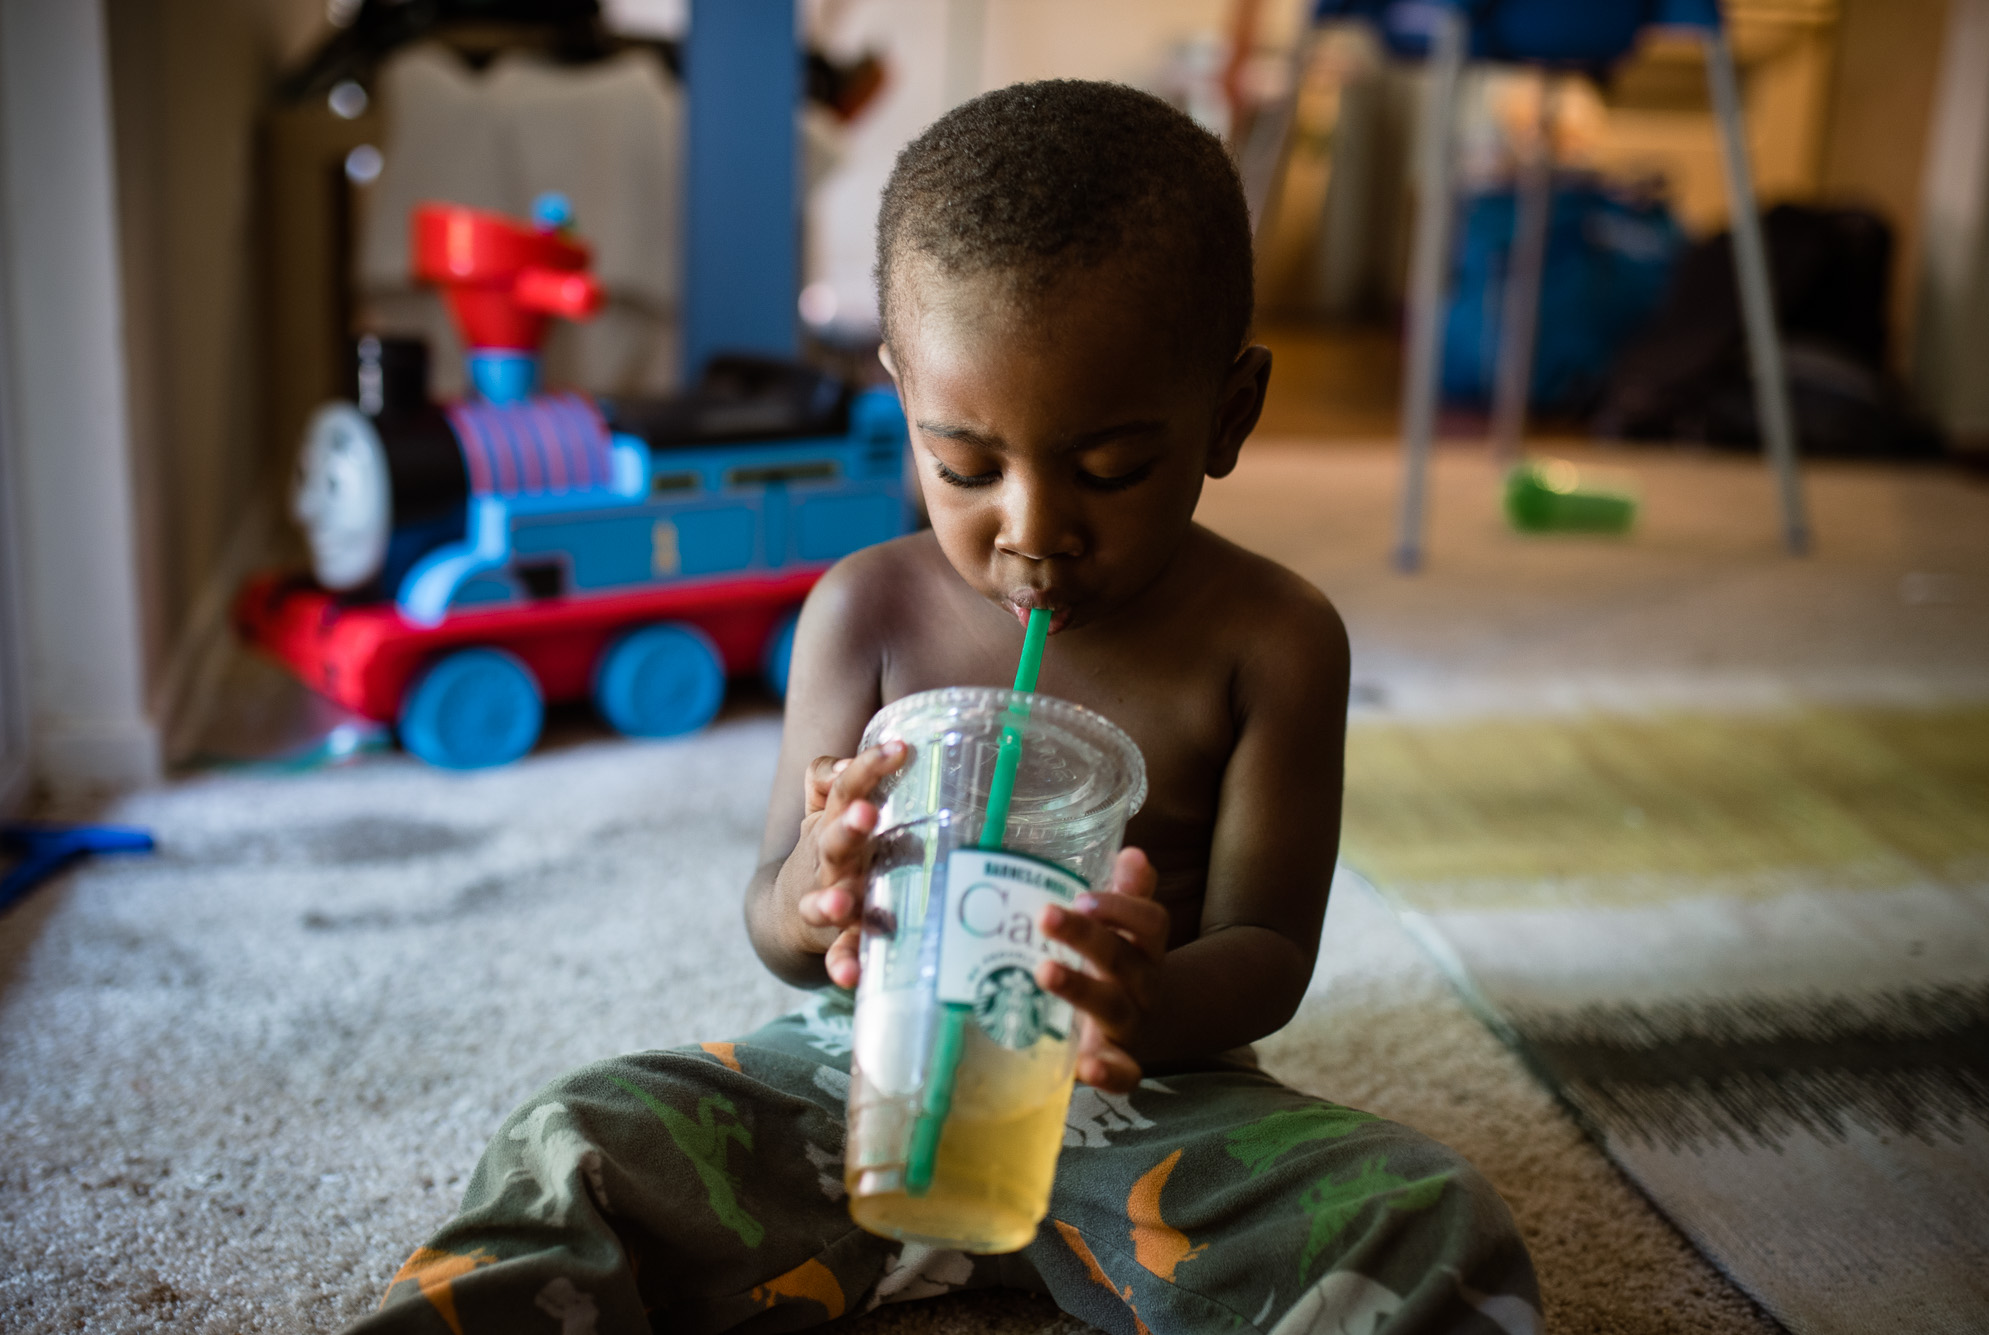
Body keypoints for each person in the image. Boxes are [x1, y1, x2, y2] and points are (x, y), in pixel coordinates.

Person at [351, 80, 1540, 1335]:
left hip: (1142, 1105)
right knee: (581, 1137)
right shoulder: (861, 612)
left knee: (1426, 1218)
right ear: (901, 398)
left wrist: (1140, 1000)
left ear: (1227, 413)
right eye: (964, 466)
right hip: (859, 1082)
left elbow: (1265, 954)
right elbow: (774, 925)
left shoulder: (1272, 643)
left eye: (1111, 470)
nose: (1032, 532)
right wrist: (819, 884)